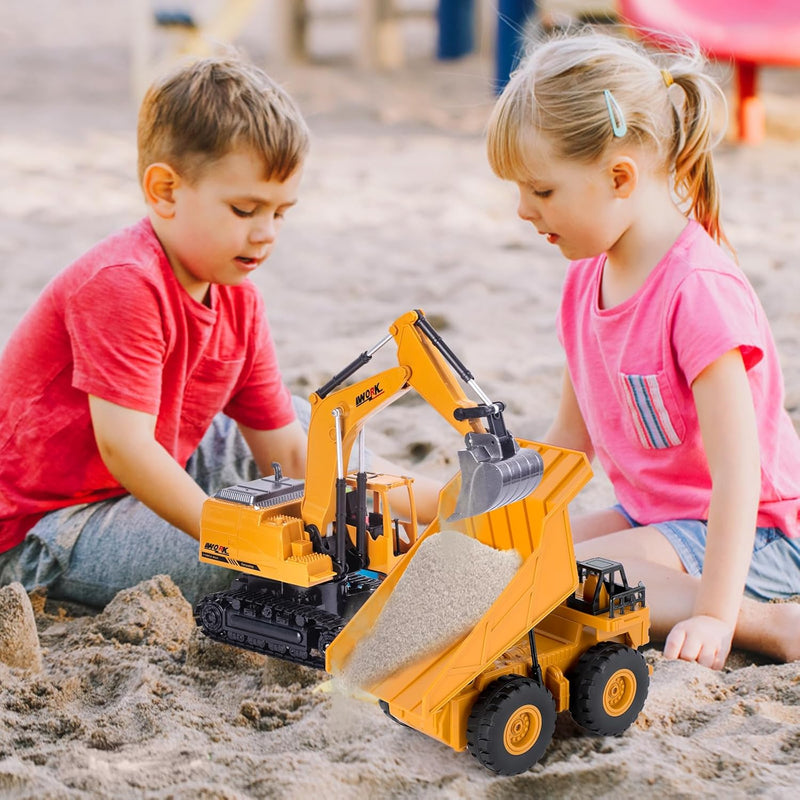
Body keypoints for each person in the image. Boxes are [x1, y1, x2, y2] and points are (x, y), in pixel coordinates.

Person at [0, 55, 439, 608]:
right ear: (164, 191)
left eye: (280, 213)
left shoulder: (237, 293)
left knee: (309, 422)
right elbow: (126, 449)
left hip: (170, 460)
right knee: (261, 564)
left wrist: (442, 504)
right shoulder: (123, 283)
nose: (265, 233)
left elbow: (287, 449)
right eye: (244, 208)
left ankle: (436, 513)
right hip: (53, 524)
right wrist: (232, 534)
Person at [486, 30, 800, 669]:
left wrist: (715, 614)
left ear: (619, 176)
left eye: (542, 192)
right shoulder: (585, 279)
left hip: (754, 536)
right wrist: (500, 518)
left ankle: (770, 623)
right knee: (522, 562)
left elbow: (739, 476)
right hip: (654, 519)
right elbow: (570, 439)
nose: (523, 210)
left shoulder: (697, 292)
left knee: (577, 574)